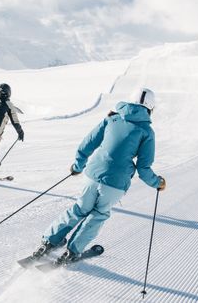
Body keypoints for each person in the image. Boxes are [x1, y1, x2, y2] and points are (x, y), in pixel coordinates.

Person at [31, 87, 166, 264]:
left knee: (79, 209)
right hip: (115, 183)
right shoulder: (147, 131)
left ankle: (49, 241)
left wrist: (78, 165)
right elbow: (143, 168)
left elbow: (87, 144)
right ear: (150, 108)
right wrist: (158, 183)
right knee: (99, 214)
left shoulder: (112, 118)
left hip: (93, 174)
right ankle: (72, 251)